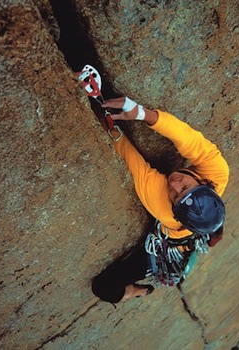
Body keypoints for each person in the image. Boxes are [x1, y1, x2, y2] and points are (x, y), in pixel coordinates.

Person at [92, 97, 229, 303]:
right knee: (210, 221)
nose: (174, 183)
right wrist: (142, 113)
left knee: (104, 288)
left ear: (173, 207)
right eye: (185, 187)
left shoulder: (163, 206)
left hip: (169, 248)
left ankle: (135, 292)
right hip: (198, 221)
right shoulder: (218, 174)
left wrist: (106, 122)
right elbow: (187, 137)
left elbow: (129, 157)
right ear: (205, 186)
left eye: (175, 195)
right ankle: (212, 234)